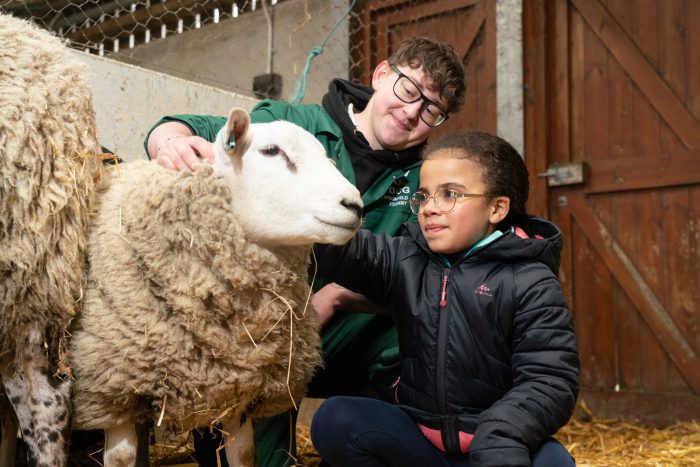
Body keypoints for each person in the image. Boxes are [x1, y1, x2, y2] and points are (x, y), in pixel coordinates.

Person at [144, 37, 467, 467]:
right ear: (382, 75)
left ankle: (388, 448)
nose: (412, 112)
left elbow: (431, 276)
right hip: (263, 329)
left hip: (346, 335)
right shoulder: (291, 124)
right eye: (409, 91)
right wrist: (169, 144)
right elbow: (185, 128)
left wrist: (334, 296)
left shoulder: (424, 178)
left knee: (423, 328)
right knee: (263, 361)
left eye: (431, 110)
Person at [309, 131, 580, 467]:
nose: (430, 209)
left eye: (449, 194)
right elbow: (347, 252)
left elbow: (550, 380)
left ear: (497, 208)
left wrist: (501, 434)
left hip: (492, 447)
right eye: (423, 196)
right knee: (336, 419)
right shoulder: (406, 260)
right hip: (420, 439)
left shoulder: (530, 281)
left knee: (554, 463)